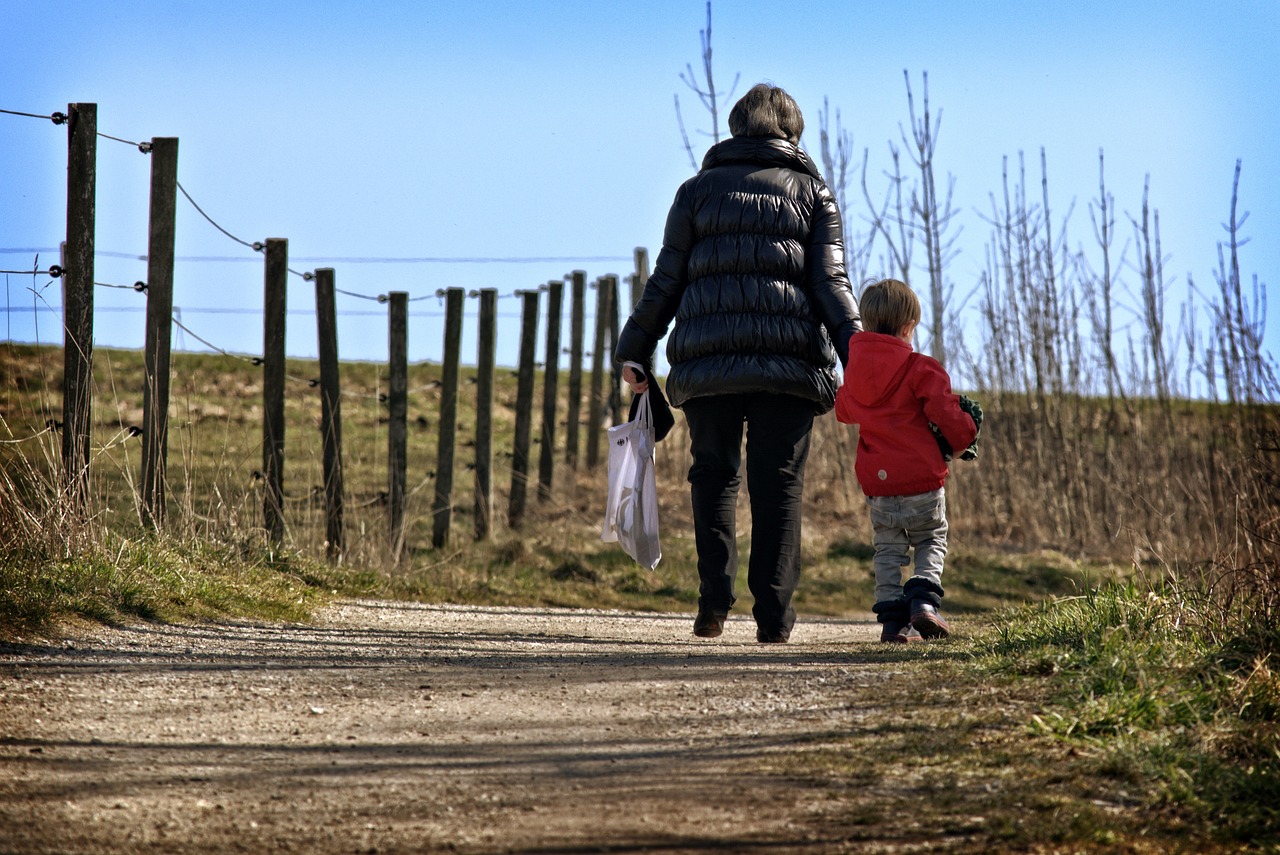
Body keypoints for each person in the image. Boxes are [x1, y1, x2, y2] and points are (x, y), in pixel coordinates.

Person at [615, 82, 862, 643]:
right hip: (789, 367)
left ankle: (713, 604)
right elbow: (830, 284)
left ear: (736, 128)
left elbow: (667, 281)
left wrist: (634, 350)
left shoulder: (694, 192)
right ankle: (773, 618)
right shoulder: (813, 194)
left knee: (714, 476)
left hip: (709, 364)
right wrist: (862, 355)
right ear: (792, 133)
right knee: (778, 485)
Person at [833, 278, 978, 643]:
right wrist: (967, 431)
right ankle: (924, 604)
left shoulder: (856, 373)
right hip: (922, 481)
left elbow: (844, 410)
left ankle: (892, 623)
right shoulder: (920, 368)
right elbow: (946, 414)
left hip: (879, 488)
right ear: (908, 327)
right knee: (931, 538)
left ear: (866, 325)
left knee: (888, 549)